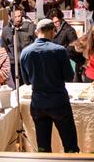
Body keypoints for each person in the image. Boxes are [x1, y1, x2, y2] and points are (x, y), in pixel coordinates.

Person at [20, 18, 79, 153]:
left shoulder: (25, 52)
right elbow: (69, 76)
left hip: (38, 104)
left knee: (43, 148)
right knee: (70, 146)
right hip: (59, 102)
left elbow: (27, 81)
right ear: (53, 32)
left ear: (36, 32)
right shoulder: (59, 50)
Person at [0, 6, 36, 85]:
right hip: (15, 65)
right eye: (15, 17)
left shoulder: (30, 27)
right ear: (9, 17)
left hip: (30, 62)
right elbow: (4, 48)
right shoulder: (6, 31)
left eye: (19, 16)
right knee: (19, 87)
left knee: (33, 84)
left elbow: (37, 43)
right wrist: (11, 59)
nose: (18, 19)